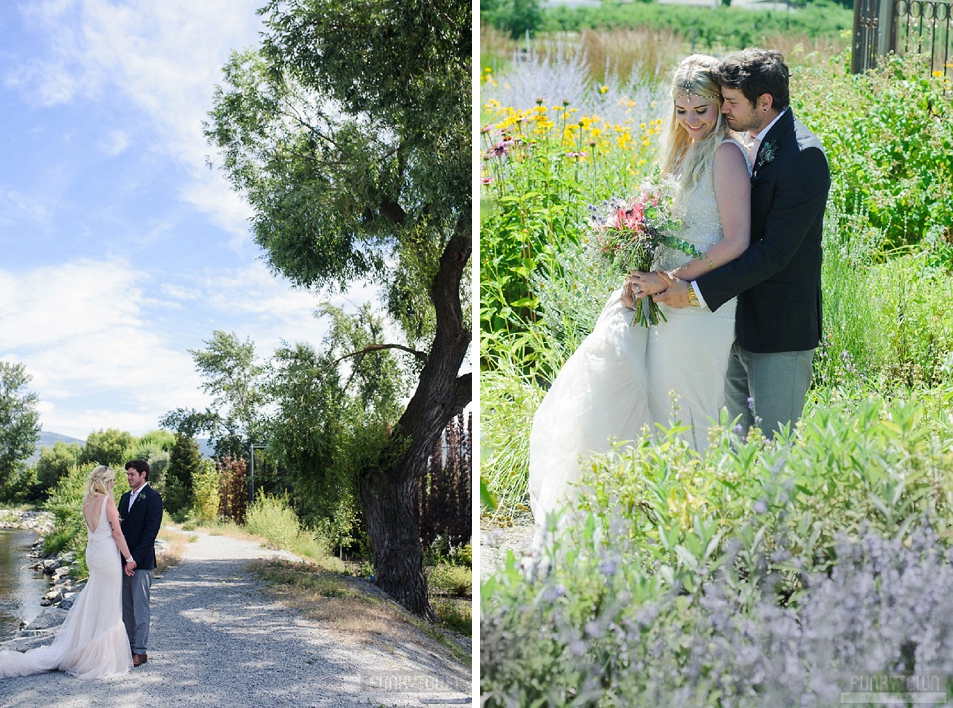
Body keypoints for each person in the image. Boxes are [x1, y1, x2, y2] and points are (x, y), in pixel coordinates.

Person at [528, 54, 752, 524]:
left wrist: (674, 280)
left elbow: (736, 240)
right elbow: (663, 229)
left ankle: (698, 522)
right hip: (660, 296)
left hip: (698, 308)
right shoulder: (679, 154)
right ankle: (651, 517)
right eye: (682, 110)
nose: (691, 122)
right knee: (647, 402)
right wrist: (638, 272)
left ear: (720, 108)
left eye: (702, 111)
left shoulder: (727, 155)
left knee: (687, 412)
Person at [630, 49, 831, 440]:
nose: (723, 110)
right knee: (739, 446)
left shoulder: (804, 156)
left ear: (765, 102)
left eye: (730, 102)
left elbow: (773, 252)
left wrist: (693, 292)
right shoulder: (749, 138)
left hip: (778, 328)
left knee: (774, 446)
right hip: (734, 319)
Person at [0, 466, 135, 679]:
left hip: (93, 553)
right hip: (107, 555)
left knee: (95, 597)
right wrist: (129, 558)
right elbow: (116, 533)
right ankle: (99, 658)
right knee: (108, 602)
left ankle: (86, 648)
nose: (115, 484)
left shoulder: (87, 503)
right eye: (112, 480)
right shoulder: (107, 501)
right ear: (105, 481)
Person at [119, 459, 162, 668]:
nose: (129, 478)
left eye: (132, 474)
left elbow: (150, 533)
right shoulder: (124, 497)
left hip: (141, 563)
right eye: (127, 474)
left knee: (140, 608)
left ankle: (140, 652)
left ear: (143, 474)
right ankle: (127, 647)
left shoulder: (153, 498)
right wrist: (124, 558)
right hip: (122, 562)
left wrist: (133, 559)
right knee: (126, 608)